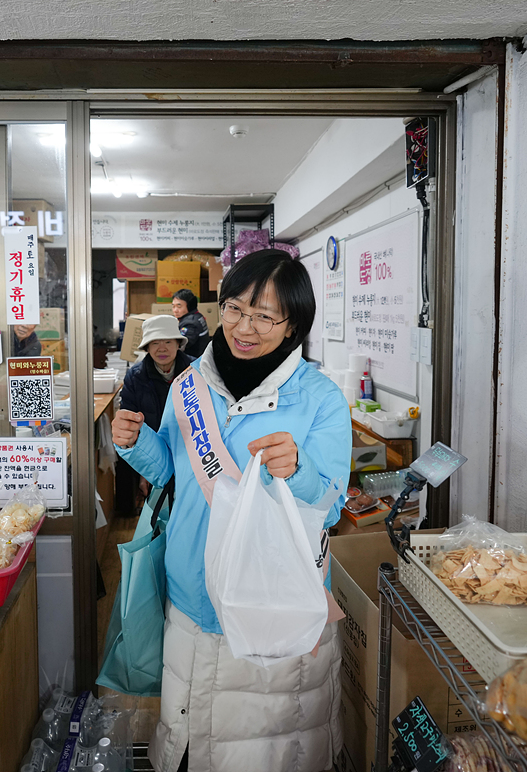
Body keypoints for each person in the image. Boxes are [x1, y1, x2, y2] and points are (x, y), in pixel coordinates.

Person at [113, 249, 350, 772]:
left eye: (265, 316)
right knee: (189, 742)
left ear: (293, 327)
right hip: (192, 594)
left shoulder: (320, 398)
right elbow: (172, 474)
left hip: (272, 602)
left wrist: (299, 469)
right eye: (236, 309)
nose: (245, 327)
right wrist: (135, 444)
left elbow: (330, 504)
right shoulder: (189, 383)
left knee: (267, 748)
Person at [118, 315, 194, 512]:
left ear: (178, 344)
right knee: (160, 512)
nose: (162, 348)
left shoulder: (198, 371)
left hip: (191, 453)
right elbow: (130, 427)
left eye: (168, 341)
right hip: (153, 454)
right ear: (146, 347)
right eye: (155, 343)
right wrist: (146, 470)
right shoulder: (135, 377)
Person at [170, 289, 209, 358]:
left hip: (194, 361)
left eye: (179, 306)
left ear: (190, 306)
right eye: (173, 306)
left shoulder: (190, 323)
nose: (175, 310)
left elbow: (181, 346)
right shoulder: (197, 315)